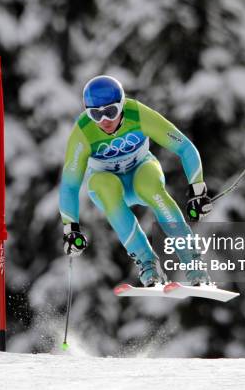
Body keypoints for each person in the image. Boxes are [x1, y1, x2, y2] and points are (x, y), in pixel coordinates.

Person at [58, 75, 212, 287]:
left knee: (149, 186)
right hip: (107, 183)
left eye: (110, 111)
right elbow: (69, 184)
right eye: (95, 114)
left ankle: (192, 261)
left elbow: (184, 147)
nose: (104, 120)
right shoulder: (83, 131)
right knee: (104, 187)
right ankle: (147, 263)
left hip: (141, 170)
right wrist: (70, 229)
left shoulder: (137, 114)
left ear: (122, 104)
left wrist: (198, 190)